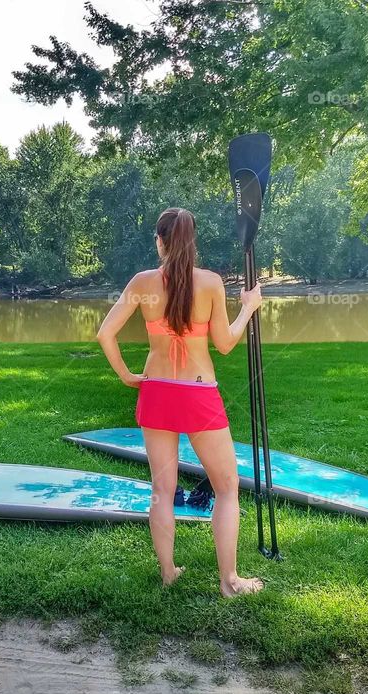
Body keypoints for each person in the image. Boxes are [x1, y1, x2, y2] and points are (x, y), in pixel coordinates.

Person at [96, 207, 265, 597]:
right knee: (226, 486)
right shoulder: (210, 283)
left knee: (162, 488)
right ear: (193, 242)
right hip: (199, 393)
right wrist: (249, 308)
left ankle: (169, 571)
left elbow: (105, 334)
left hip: (156, 391)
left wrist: (127, 376)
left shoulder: (142, 282)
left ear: (160, 241)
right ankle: (229, 581)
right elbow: (224, 345)